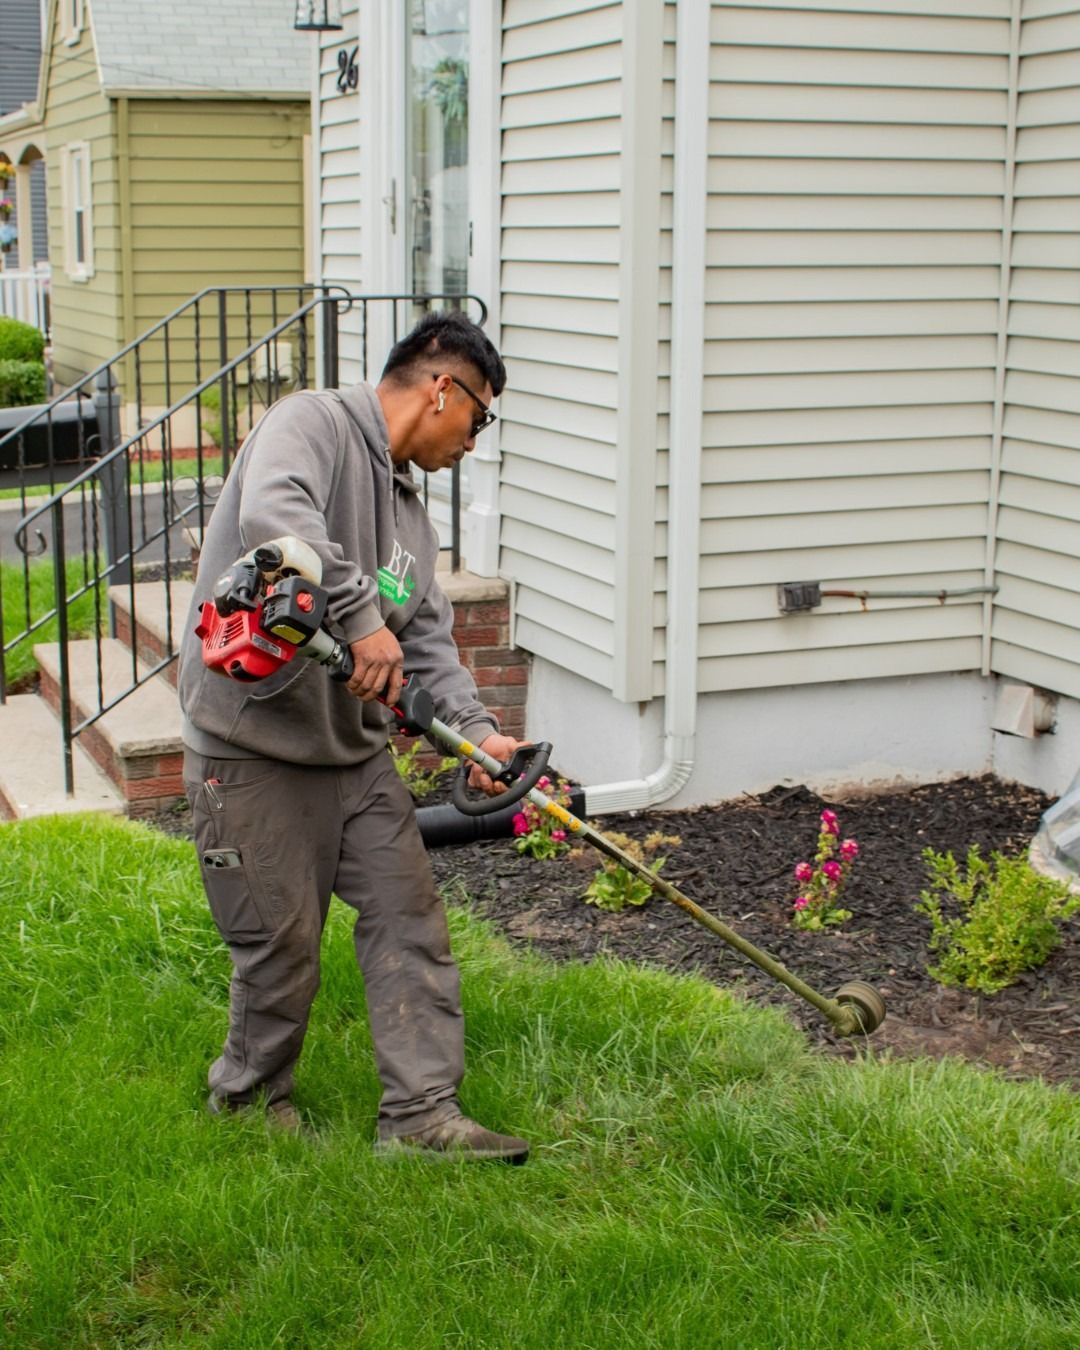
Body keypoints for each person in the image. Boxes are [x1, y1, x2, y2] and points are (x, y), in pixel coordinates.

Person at [176, 311, 530, 1163]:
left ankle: (423, 1118)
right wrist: (358, 615)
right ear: (443, 388)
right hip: (251, 748)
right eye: (480, 420)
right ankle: (251, 1104)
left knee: (411, 921)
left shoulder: (411, 522)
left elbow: (428, 641)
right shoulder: (314, 422)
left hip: (354, 756)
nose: (475, 443)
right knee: (280, 946)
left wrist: (482, 739)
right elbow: (276, 510)